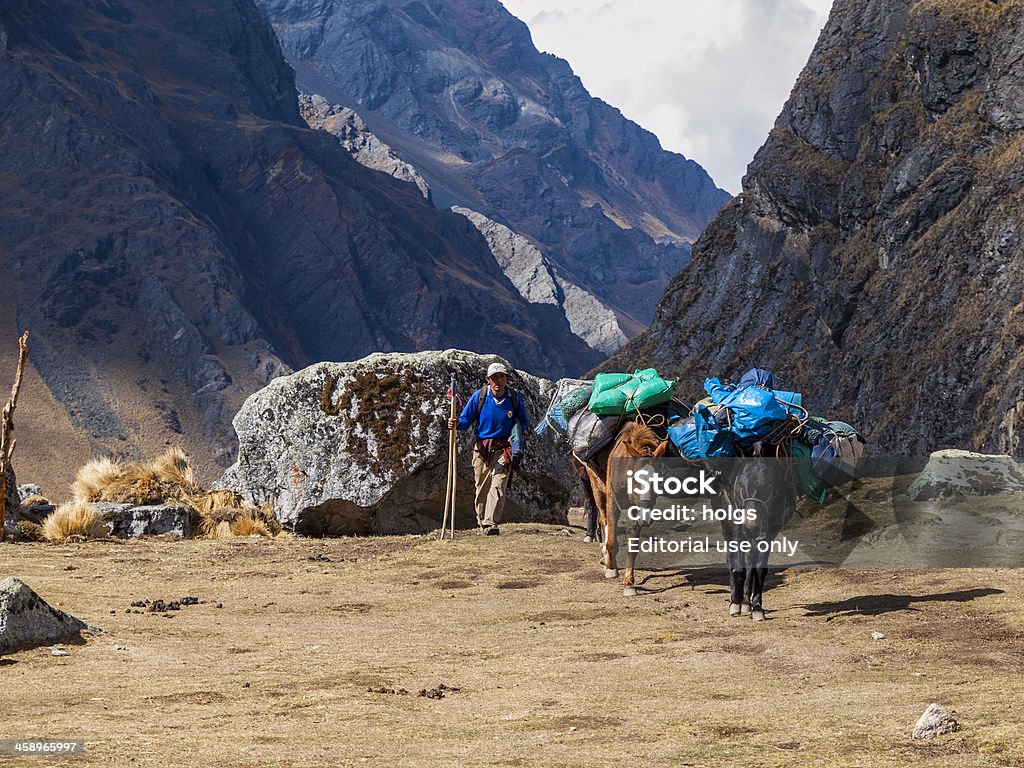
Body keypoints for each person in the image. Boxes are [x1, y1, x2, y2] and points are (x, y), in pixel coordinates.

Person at [449, 361, 529, 535]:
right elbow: (466, 419)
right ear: (488, 380)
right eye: (494, 378)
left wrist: (516, 435)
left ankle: (490, 523)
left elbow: (523, 421)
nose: (498, 381)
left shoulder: (514, 398)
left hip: (504, 449)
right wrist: (456, 423)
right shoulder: (480, 396)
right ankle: (481, 522)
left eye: (502, 377)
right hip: (482, 449)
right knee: (481, 486)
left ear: (506, 378)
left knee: (498, 484)